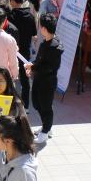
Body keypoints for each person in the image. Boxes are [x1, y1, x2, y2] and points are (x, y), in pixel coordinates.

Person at [27, 14, 63, 144]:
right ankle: (46, 126)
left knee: (46, 107)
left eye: (40, 26)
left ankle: (46, 131)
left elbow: (50, 67)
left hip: (47, 82)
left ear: (44, 29)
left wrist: (33, 67)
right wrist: (32, 66)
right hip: (39, 79)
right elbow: (39, 61)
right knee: (37, 103)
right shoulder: (45, 43)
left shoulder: (55, 46)